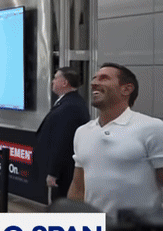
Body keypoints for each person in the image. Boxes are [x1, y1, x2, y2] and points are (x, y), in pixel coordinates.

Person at [68, 63, 163, 218]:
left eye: (104, 78)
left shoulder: (152, 127)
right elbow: (78, 186)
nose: (94, 83)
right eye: (94, 79)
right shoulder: (82, 132)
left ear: (126, 89)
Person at [33, 67, 91, 202]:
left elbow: (62, 141)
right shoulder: (66, 102)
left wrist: (54, 172)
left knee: (62, 205)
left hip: (65, 172)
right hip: (63, 170)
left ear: (64, 83)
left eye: (55, 78)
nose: (52, 81)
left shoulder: (71, 106)